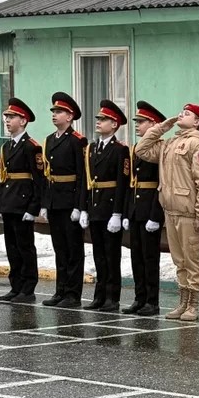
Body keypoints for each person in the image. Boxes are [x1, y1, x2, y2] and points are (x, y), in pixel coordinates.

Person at [135, 104, 199, 322]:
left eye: (187, 114)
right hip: (170, 210)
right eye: (181, 112)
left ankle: (193, 305)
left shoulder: (197, 144)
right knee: (179, 260)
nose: (180, 115)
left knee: (191, 260)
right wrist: (162, 127)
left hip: (188, 211)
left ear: (197, 122)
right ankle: (183, 302)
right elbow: (141, 149)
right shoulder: (169, 142)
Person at [78, 100, 131, 312]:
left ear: (114, 124)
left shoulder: (120, 150)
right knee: (98, 255)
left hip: (109, 209)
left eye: (104, 119)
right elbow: (86, 179)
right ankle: (99, 296)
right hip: (95, 207)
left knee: (111, 255)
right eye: (98, 119)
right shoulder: (92, 149)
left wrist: (118, 213)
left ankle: (112, 297)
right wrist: (83, 208)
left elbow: (122, 183)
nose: (98, 122)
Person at [40, 92, 87, 308]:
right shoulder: (50, 140)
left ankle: (72, 294)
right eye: (54, 111)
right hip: (55, 201)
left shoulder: (77, 141)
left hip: (69, 201)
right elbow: (47, 175)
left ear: (69, 116)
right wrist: (45, 203)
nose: (54, 114)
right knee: (59, 248)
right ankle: (60, 290)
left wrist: (79, 206)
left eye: (59, 112)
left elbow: (82, 175)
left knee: (73, 249)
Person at [0, 97, 45, 303]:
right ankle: (15, 286)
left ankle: (28, 288)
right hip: (9, 203)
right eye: (6, 117)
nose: (7, 120)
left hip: (23, 204)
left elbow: (38, 180)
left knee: (25, 248)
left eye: (12, 117)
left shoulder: (31, 147)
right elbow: (4, 178)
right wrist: (1, 203)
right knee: (12, 248)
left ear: (23, 121)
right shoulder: (7, 147)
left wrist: (33, 207)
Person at [121, 101, 167, 316]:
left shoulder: (161, 149)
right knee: (136, 257)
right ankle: (139, 298)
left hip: (150, 208)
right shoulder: (135, 149)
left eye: (142, 122)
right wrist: (126, 212)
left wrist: (156, 215)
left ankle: (152, 301)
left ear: (154, 124)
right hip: (136, 209)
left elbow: (162, 184)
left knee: (150, 258)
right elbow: (131, 183)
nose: (137, 126)